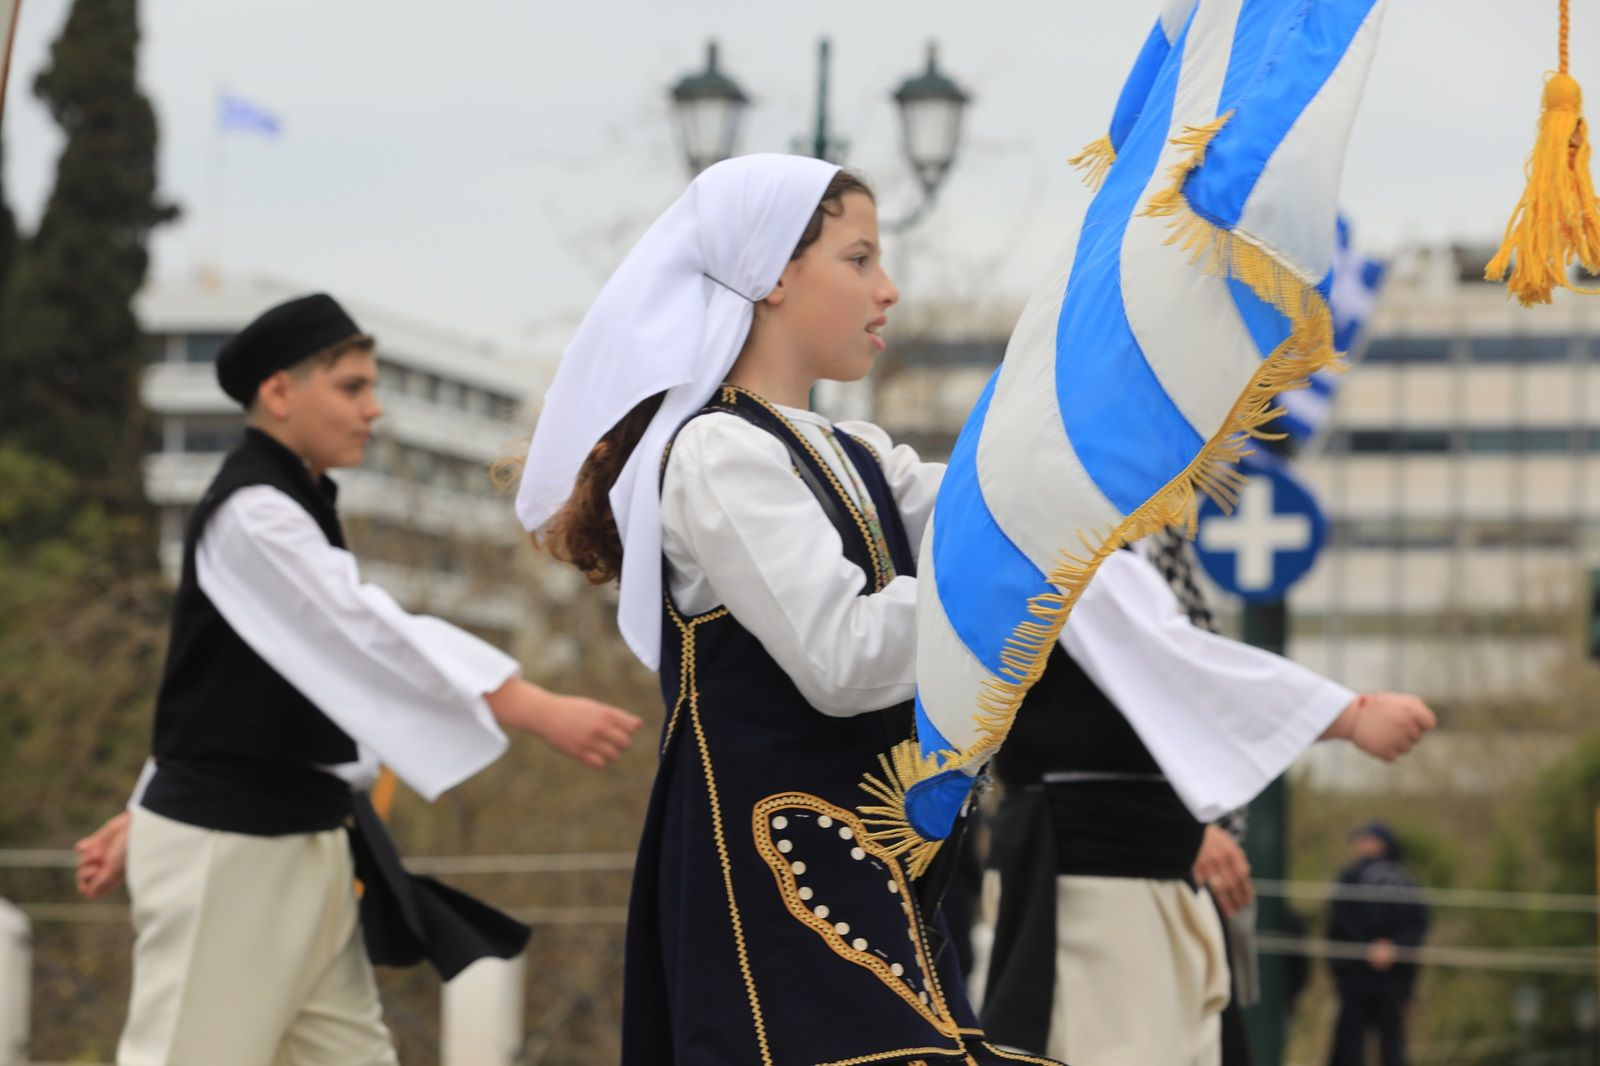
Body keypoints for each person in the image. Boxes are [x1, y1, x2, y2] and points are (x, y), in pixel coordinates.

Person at [515, 155, 1060, 1065]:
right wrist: (1003, 592)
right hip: (770, 883)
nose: (887, 290)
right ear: (769, 274)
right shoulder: (716, 455)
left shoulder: (862, 452)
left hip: (881, 880)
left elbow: (986, 518)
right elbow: (841, 654)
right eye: (858, 259)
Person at [75, 293, 642, 1066]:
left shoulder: (287, 505)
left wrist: (146, 808)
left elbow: (224, 688)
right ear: (278, 392)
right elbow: (365, 632)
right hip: (232, 851)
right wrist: (529, 703)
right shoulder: (253, 513)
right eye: (351, 387)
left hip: (300, 841)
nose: (373, 410)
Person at [970, 535, 1435, 1066]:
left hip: (1140, 870)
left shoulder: (1115, 543)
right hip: (1094, 883)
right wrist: (1344, 715)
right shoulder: (1070, 542)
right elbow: (1171, 662)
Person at [1327, 822, 1430, 1066]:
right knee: (1367, 1043)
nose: (1361, 845)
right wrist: (1388, 949)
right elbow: (1418, 923)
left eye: (1367, 839)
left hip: (1372, 973)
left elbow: (1339, 920)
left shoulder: (1353, 876)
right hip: (1379, 972)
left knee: (1373, 1044)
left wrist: (1380, 949)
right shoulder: (1407, 879)